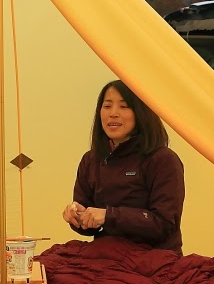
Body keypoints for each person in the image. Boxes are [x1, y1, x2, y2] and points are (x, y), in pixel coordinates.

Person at [62, 80, 185, 254]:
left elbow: (164, 224)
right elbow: (89, 228)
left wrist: (108, 215)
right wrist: (78, 217)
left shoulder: (163, 159)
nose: (113, 114)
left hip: (154, 257)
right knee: (48, 270)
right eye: (107, 106)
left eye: (124, 106)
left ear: (141, 113)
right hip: (107, 254)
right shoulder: (90, 159)